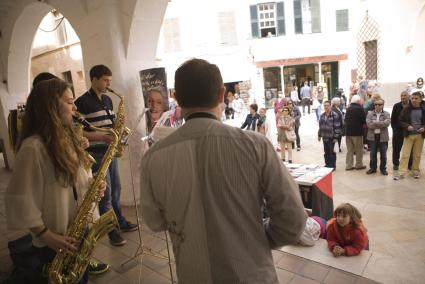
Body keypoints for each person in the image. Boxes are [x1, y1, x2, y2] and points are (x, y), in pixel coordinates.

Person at [140, 58, 307, 283]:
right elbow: (293, 220)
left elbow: (154, 221)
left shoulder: (154, 156)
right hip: (251, 274)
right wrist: (258, 237)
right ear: (221, 95)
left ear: (176, 99)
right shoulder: (256, 145)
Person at [5, 78, 107, 284]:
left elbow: (76, 181)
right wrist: (46, 235)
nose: (75, 106)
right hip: (55, 242)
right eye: (69, 102)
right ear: (51, 106)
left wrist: (94, 185)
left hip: (79, 234)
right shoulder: (33, 148)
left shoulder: (68, 139)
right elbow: (19, 200)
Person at [75, 65, 137, 247]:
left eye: (109, 80)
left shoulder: (109, 100)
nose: (108, 84)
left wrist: (118, 123)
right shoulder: (81, 102)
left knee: (116, 189)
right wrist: (101, 136)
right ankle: (111, 232)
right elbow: (79, 132)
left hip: (110, 152)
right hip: (96, 153)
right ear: (93, 79)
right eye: (105, 80)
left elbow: (108, 126)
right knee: (106, 194)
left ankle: (120, 221)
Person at [394, 91, 425, 180]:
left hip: (420, 135)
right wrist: (407, 126)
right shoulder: (406, 109)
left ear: (420, 99)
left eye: (416, 98)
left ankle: (415, 170)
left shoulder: (423, 109)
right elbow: (400, 121)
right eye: (412, 98)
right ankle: (401, 172)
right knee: (405, 154)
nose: (414, 100)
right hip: (409, 135)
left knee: (417, 155)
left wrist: (424, 127)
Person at [365, 98, 390, 175]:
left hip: (383, 137)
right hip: (372, 137)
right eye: (376, 104)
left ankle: (383, 169)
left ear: (383, 105)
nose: (377, 106)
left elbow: (387, 123)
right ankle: (373, 168)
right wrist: (381, 124)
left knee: (383, 155)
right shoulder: (370, 113)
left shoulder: (386, 114)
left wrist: (375, 122)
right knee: (373, 154)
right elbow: (369, 125)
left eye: (379, 104)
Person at [391, 91, 412, 170]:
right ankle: (396, 164)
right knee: (396, 148)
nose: (403, 97)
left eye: (405, 95)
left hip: (409, 131)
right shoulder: (396, 106)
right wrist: (395, 130)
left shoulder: (412, 105)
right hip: (398, 132)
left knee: (410, 149)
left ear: (408, 96)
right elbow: (393, 120)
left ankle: (410, 164)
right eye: (402, 95)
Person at [318, 101, 342, 170]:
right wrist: (319, 135)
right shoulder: (322, 115)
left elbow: (337, 127)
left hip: (332, 138)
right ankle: (327, 164)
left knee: (332, 152)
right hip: (324, 137)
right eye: (325, 105)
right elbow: (320, 126)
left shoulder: (334, 115)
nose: (326, 107)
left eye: (327, 105)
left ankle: (332, 166)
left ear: (330, 106)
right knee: (326, 152)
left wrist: (336, 137)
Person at [345, 95, 367, 171]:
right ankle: (359, 165)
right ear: (358, 101)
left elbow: (345, 119)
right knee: (359, 150)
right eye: (361, 100)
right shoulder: (360, 108)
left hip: (348, 133)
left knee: (350, 150)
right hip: (357, 133)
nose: (362, 102)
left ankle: (349, 165)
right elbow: (364, 120)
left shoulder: (348, 108)